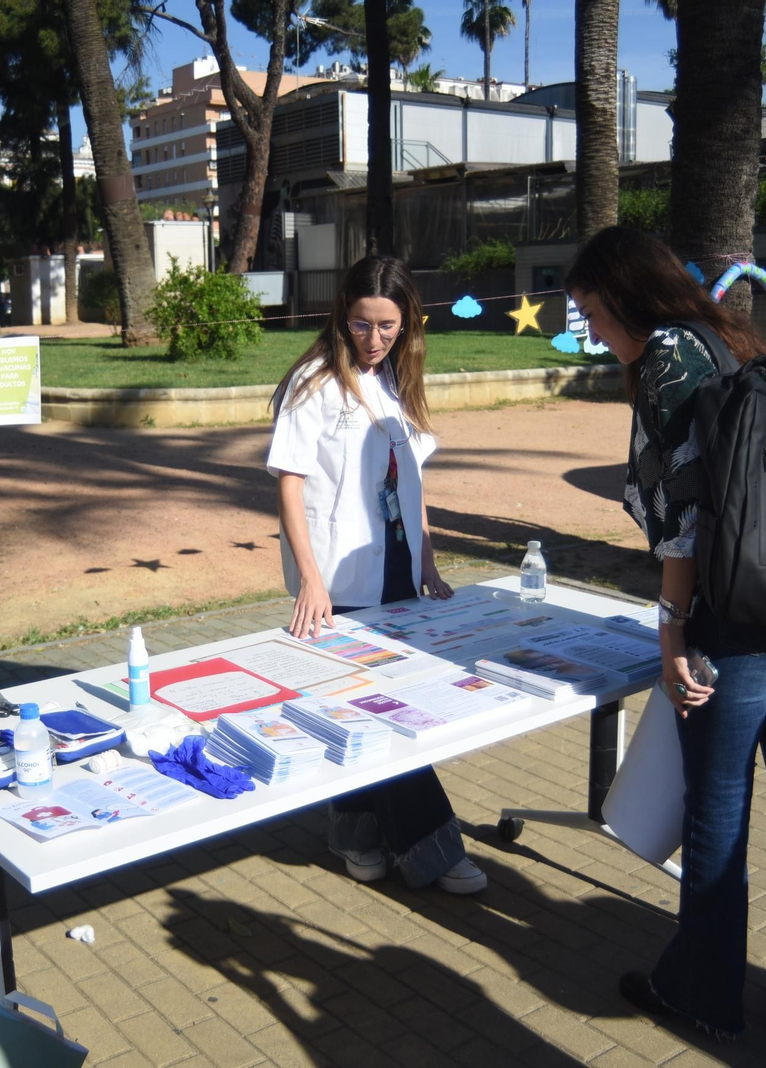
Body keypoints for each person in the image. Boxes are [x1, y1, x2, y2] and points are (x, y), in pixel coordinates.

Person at [566, 227, 766, 1057]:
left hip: (731, 623)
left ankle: (701, 992)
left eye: (592, 311)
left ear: (625, 295)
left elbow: (686, 518)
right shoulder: (735, 340)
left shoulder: (669, 356)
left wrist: (671, 633)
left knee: (719, 807)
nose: (591, 330)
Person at [267, 255, 486, 895]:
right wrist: (311, 579)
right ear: (343, 315)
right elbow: (290, 483)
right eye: (362, 324)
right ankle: (433, 850)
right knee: (383, 711)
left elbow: (411, 482)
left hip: (396, 568)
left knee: (368, 707)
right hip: (338, 575)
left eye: (387, 325)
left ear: (407, 321)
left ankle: (356, 834)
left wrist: (428, 558)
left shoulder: (396, 379)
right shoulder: (313, 382)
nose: (373, 338)